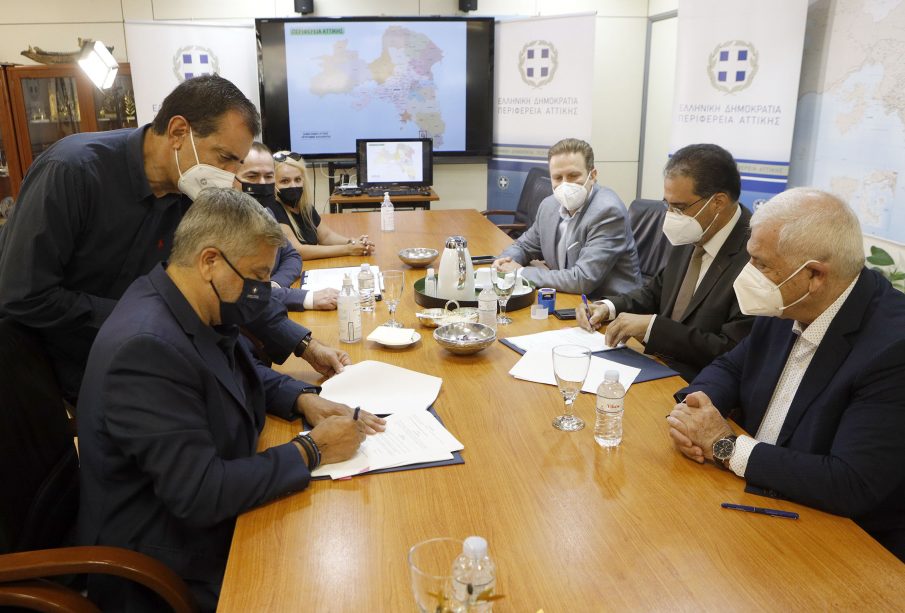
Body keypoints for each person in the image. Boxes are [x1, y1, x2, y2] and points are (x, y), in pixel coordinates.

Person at [76, 189, 386, 611]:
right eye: (257, 276)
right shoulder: (146, 348)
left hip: (205, 517)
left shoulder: (184, 299)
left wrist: (301, 399)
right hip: (164, 563)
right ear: (210, 261)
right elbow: (200, 493)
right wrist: (312, 449)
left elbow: (233, 372)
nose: (262, 290)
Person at [0, 75, 346, 401]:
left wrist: (304, 345)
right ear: (179, 132)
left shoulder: (192, 193)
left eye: (237, 163)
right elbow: (23, 295)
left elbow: (235, 282)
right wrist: (145, 318)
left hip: (148, 354)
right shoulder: (73, 171)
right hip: (54, 371)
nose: (230, 175)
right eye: (225, 158)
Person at [667, 188, 905, 561]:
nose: (748, 274)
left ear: (814, 275)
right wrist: (693, 412)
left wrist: (725, 446)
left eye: (760, 264)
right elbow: (731, 366)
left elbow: (851, 482)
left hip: (834, 542)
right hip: (746, 498)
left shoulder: (893, 348)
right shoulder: (790, 299)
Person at [578, 144, 754, 381]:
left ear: (718, 203)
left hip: (701, 383)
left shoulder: (756, 255)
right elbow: (657, 291)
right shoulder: (693, 229)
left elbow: (731, 350)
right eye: (667, 205)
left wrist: (653, 329)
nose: (670, 216)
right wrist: (607, 307)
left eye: (679, 207)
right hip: (657, 364)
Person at [492, 138, 640, 299]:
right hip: (566, 297)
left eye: (573, 175)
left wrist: (520, 272)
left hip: (608, 305)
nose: (565, 184)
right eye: (557, 177)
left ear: (593, 175)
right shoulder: (548, 206)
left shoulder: (608, 211)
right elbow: (524, 246)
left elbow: (583, 279)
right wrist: (506, 261)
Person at [234, 142, 338, 310]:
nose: (262, 183)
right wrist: (308, 298)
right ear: (232, 177)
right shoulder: (222, 223)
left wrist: (275, 284)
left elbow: (292, 256)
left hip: (273, 306)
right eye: (252, 177)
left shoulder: (266, 212)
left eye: (269, 177)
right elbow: (243, 292)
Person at [270, 151, 375, 260]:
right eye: (285, 181)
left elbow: (326, 237)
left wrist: (353, 242)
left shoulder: (304, 207)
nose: (293, 185)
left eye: (297, 179)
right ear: (272, 183)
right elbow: (298, 251)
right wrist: (348, 249)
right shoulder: (273, 209)